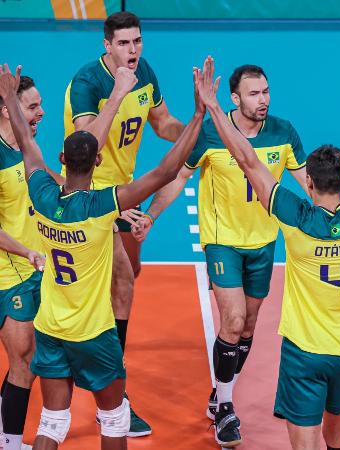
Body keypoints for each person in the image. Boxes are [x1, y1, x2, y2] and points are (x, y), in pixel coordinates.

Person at [195, 44, 340, 449]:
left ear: (308, 183)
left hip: (304, 353)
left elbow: (246, 160)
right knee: (338, 437)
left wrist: (211, 108)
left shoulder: (296, 219)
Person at [0, 61, 204, 450]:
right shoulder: (102, 206)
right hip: (93, 333)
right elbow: (164, 172)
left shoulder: (41, 194)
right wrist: (198, 114)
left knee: (52, 422)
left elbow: (27, 144)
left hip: (51, 329)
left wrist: (8, 94)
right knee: (114, 418)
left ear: (61, 161)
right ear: (97, 162)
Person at [136, 62, 307, 446]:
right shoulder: (212, 132)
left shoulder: (283, 132)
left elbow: (307, 181)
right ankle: (227, 410)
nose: (262, 100)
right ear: (235, 98)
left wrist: (335, 213)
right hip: (222, 241)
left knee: (248, 325)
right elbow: (178, 176)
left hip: (263, 241)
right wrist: (150, 216)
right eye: (253, 94)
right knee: (231, 320)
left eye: (265, 92)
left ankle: (219, 395)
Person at [62, 11, 185, 436]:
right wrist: (117, 92)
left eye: (137, 42)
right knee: (122, 282)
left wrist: (199, 130)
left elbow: (163, 123)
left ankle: (90, 350)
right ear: (106, 46)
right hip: (93, 194)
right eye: (123, 44)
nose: (132, 51)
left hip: (125, 194)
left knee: (130, 272)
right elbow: (84, 146)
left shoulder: (144, 71)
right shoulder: (87, 84)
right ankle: (114, 391)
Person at [0, 75, 46, 450]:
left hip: (30, 266)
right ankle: (11, 444)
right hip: (8, 272)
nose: (41, 112)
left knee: (24, 359)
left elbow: (44, 179)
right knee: (25, 360)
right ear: (7, 108)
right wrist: (26, 251)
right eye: (32, 107)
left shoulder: (25, 145)